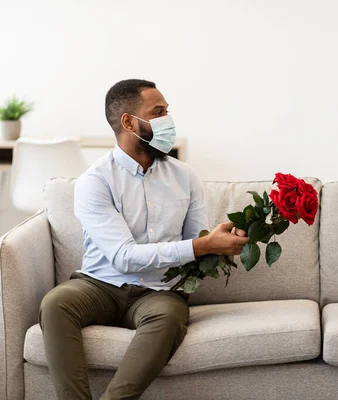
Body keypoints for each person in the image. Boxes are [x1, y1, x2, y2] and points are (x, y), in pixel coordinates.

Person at [39, 79, 249, 400]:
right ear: (129, 122)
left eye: (167, 112)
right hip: (99, 285)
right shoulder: (95, 182)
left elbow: (198, 246)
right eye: (159, 112)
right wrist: (203, 246)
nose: (168, 121)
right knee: (56, 303)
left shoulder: (185, 177)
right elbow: (123, 256)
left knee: (170, 318)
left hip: (159, 290)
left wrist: (220, 245)